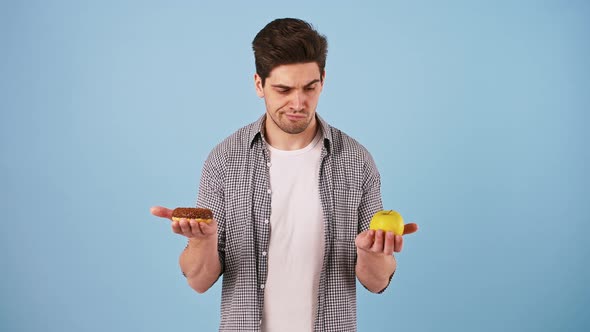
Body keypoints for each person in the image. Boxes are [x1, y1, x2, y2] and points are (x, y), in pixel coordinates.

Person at [151, 17, 418, 332]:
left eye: (310, 87)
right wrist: (202, 243)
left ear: (323, 79)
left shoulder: (357, 161)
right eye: (283, 89)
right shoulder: (224, 159)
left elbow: (376, 283)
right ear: (258, 84)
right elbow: (198, 281)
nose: (298, 103)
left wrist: (372, 254)